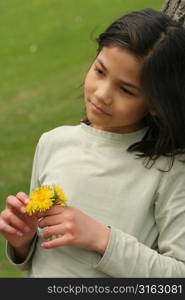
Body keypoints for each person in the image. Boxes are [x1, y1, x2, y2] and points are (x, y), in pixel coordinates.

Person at [1, 8, 185, 278]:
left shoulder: (169, 169)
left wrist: (103, 240)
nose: (102, 94)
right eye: (100, 71)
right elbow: (43, 260)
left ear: (156, 104)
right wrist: (22, 241)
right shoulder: (53, 143)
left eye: (126, 89)